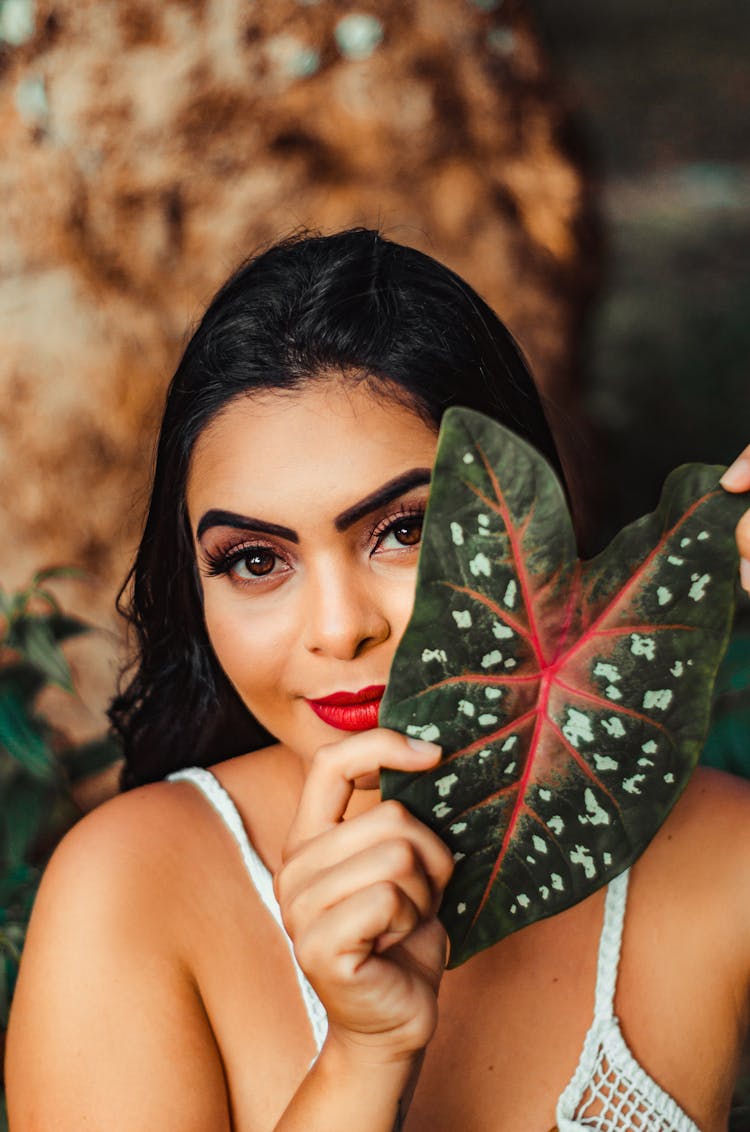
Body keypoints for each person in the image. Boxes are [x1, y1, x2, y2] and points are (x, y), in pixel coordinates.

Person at [5, 229, 750, 1132]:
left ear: (530, 528)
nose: (338, 626)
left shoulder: (724, 861)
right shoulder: (132, 893)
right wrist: (363, 1059)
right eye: (253, 560)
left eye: (402, 529)